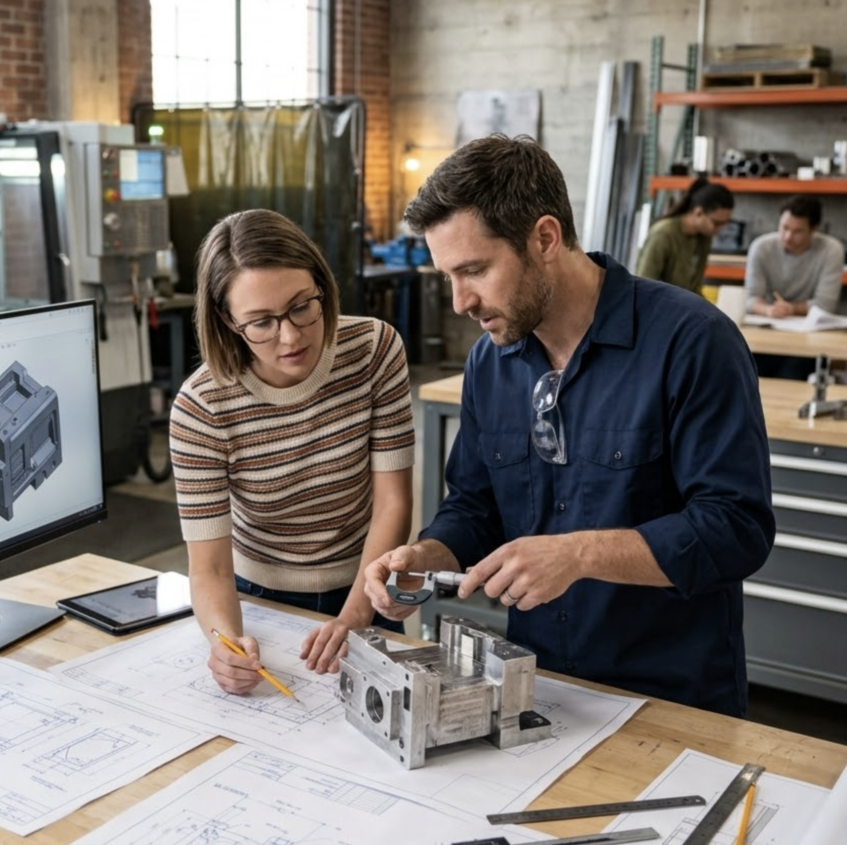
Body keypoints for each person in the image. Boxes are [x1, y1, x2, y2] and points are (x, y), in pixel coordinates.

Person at [362, 135, 775, 717]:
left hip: (671, 696)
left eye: (475, 270)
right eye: (447, 276)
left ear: (545, 238)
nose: (460, 302)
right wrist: (429, 555)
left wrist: (579, 554)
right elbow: (477, 507)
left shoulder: (692, 342)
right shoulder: (491, 360)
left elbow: (737, 529)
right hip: (536, 687)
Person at [169, 208, 415, 696]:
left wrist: (355, 615)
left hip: (365, 584)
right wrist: (226, 644)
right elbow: (211, 568)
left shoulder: (374, 351)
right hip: (258, 599)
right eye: (260, 322)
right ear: (226, 320)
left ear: (322, 284)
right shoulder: (202, 407)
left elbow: (393, 502)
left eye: (303, 306)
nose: (291, 335)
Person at [745, 196, 846, 379]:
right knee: (748, 373)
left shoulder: (832, 250)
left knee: (793, 372)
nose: (788, 236)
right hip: (767, 331)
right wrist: (768, 309)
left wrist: (791, 309)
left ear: (814, 229)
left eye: (798, 231)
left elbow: (825, 305)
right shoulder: (761, 247)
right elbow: (751, 299)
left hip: (809, 336)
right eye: (784, 228)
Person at [635, 177, 735, 294]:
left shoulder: (704, 237)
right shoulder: (663, 234)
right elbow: (644, 283)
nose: (720, 229)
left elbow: (695, 287)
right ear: (699, 212)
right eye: (717, 223)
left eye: (724, 224)